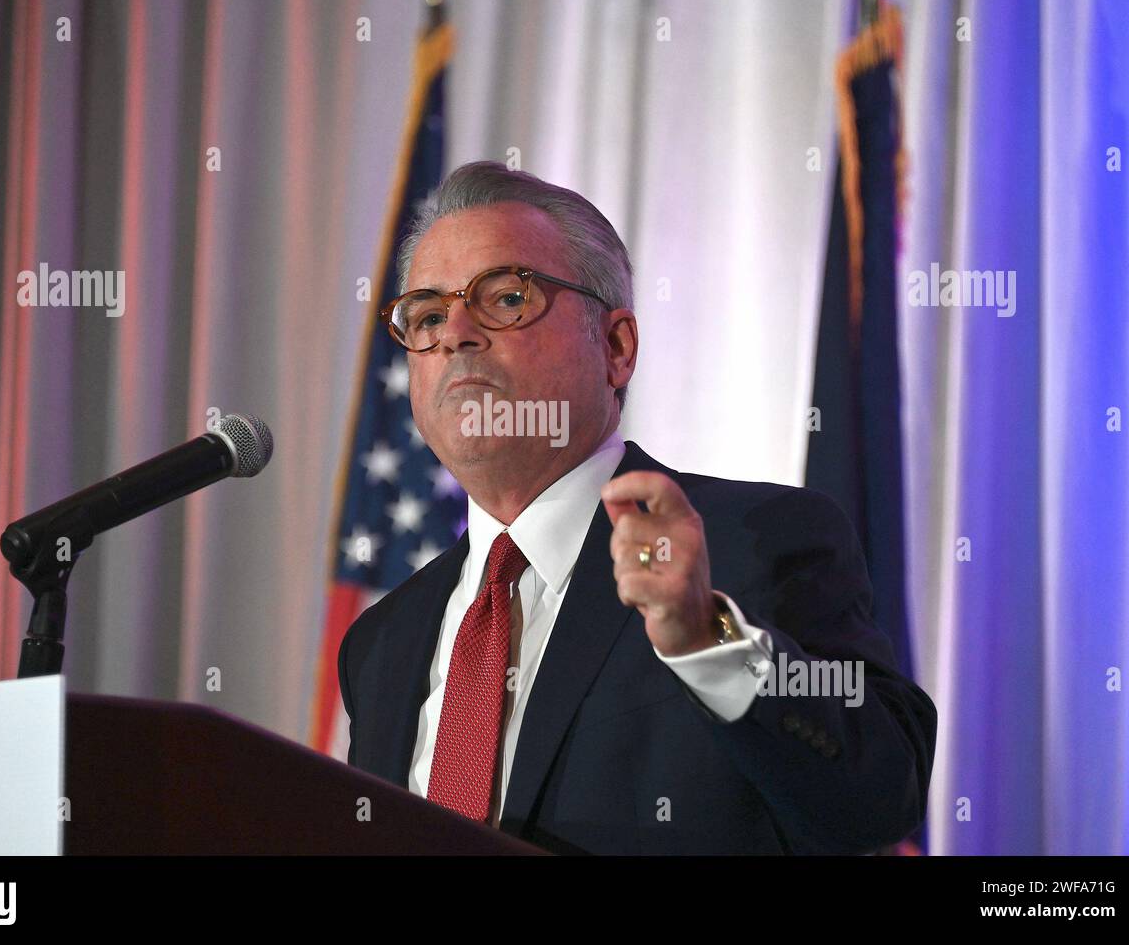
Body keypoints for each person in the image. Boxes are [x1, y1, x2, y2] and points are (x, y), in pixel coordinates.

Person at [338, 160, 936, 854]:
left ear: (616, 347)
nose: (456, 333)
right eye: (429, 314)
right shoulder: (381, 640)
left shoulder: (749, 547)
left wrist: (706, 641)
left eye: (504, 299)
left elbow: (877, 797)